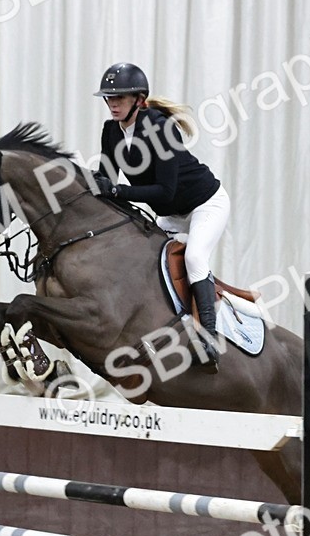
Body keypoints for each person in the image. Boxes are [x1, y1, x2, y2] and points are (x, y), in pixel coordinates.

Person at [92, 62, 228, 370]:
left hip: (206, 205)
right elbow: (105, 180)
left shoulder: (160, 129)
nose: (113, 104)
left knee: (194, 258)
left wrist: (116, 192)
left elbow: (164, 191)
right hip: (170, 216)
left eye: (120, 98)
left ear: (138, 100)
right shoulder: (111, 131)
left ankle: (209, 338)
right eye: (109, 98)